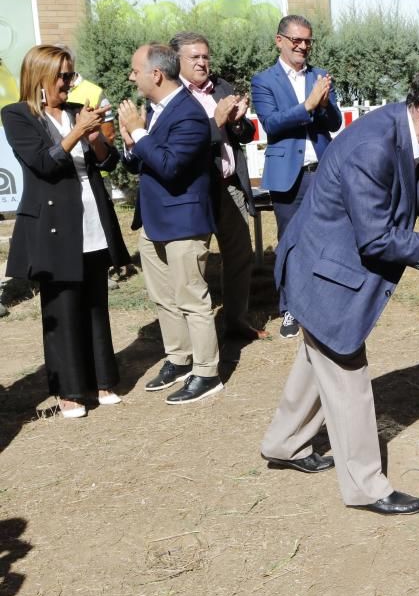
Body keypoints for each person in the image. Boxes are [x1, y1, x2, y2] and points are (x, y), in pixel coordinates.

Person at [259, 65, 419, 514]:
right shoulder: (374, 146)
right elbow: (377, 238)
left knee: (317, 356)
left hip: (325, 266)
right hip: (322, 274)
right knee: (348, 379)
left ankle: (283, 443)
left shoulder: (408, 136)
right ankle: (366, 487)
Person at [1, 45, 130, 418]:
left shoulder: (78, 114)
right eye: (62, 76)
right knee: (62, 307)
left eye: (72, 75)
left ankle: (103, 379)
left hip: (92, 217)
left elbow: (108, 163)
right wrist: (77, 133)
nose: (69, 83)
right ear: (39, 76)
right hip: (53, 225)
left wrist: (98, 139)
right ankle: (69, 390)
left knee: (95, 302)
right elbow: (43, 163)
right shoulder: (17, 115)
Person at [119, 43, 223, 404]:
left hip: (183, 221)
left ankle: (208, 372)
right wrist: (130, 140)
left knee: (192, 299)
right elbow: (143, 164)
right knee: (163, 298)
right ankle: (179, 358)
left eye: (135, 70)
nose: (131, 77)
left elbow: (171, 167)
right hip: (153, 220)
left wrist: (141, 134)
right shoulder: (155, 109)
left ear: (156, 74)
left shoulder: (189, 114)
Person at [171, 31, 267, 342]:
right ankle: (196, 334)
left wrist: (238, 121)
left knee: (239, 256)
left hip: (230, 186)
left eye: (205, 56)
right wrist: (217, 121)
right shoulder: (172, 96)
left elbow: (245, 134)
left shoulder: (222, 88)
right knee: (195, 262)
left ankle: (236, 321)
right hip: (196, 192)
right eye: (194, 57)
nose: (202, 62)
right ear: (177, 61)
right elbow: (182, 146)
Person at [251, 15, 342, 338]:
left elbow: (333, 123)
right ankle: (289, 307)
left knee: (327, 238)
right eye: (296, 41)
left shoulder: (320, 76)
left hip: (323, 172)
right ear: (280, 41)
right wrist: (308, 105)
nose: (303, 46)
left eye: (307, 41)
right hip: (288, 175)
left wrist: (326, 103)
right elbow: (272, 123)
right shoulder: (264, 81)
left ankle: (320, 302)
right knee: (290, 242)